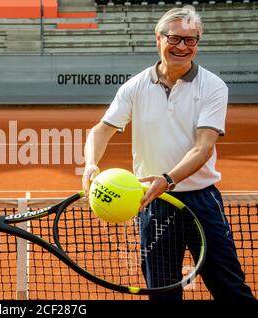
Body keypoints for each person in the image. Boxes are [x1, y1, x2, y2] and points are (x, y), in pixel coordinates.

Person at [82, 6, 255, 300]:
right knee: (162, 293)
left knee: (231, 289)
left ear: (197, 44)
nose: (182, 47)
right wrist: (89, 165)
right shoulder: (134, 86)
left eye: (191, 40)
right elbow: (101, 130)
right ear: (158, 39)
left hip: (200, 201)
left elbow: (203, 147)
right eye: (175, 38)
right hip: (154, 202)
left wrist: (168, 179)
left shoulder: (213, 86)